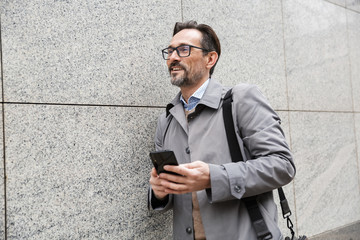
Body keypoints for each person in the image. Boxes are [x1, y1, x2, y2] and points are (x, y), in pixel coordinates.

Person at [148, 20, 296, 240]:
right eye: (169, 51)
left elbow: (282, 165)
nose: (173, 57)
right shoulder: (166, 120)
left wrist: (213, 177)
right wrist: (159, 192)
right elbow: (169, 193)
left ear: (210, 59)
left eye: (183, 49)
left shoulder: (241, 100)